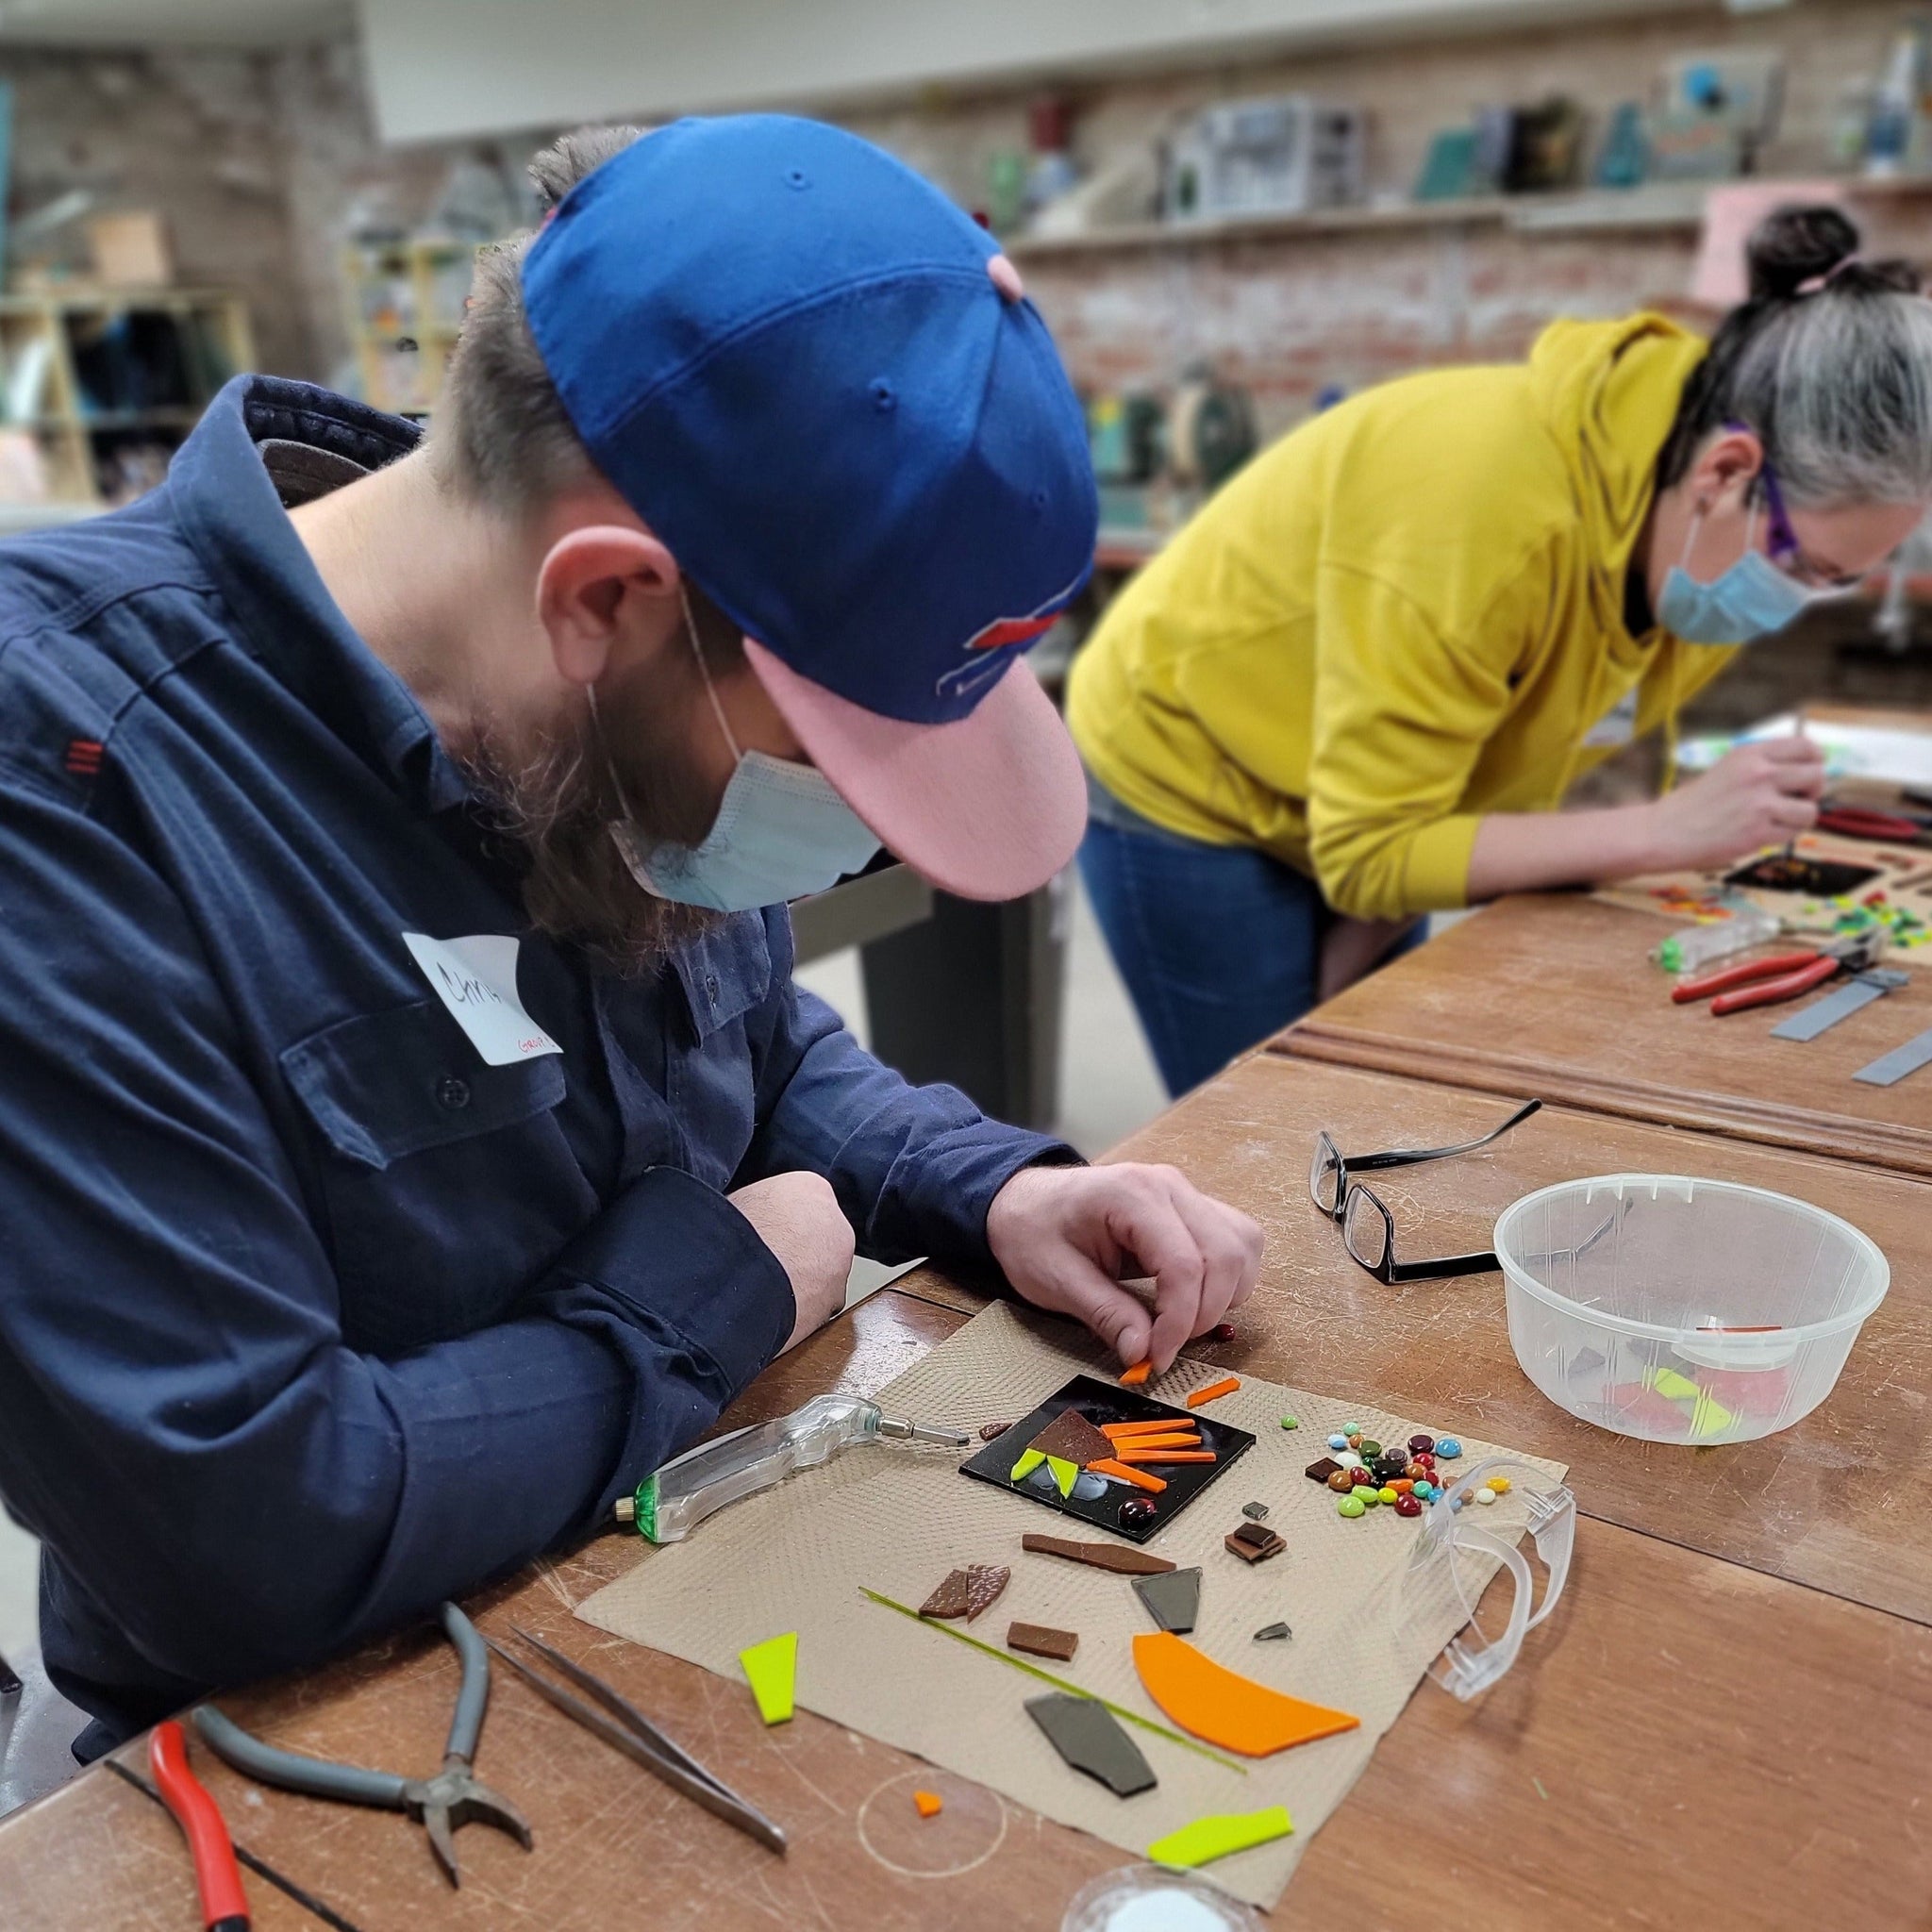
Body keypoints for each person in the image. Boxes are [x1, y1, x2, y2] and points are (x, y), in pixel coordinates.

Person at [0, 117, 1263, 1757]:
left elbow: (747, 1049)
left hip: (675, 1544)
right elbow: (239, 1533)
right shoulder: (63, 791)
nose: (861, 832)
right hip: (310, 1737)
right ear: (606, 601)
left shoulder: (588, 712)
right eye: (835, 763)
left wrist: (988, 1186)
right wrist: (718, 1286)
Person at [1068, 205, 1932, 1096]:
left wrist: (1351, 971)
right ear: (1726, 472)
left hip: (1364, 796)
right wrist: (1663, 832)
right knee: (1259, 1113)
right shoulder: (1483, 524)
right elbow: (1374, 853)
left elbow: (1460, 796)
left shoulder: (1695, 529)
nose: (1797, 599)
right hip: (1186, 762)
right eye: (1805, 566)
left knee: (1352, 1077)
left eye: (1836, 581)